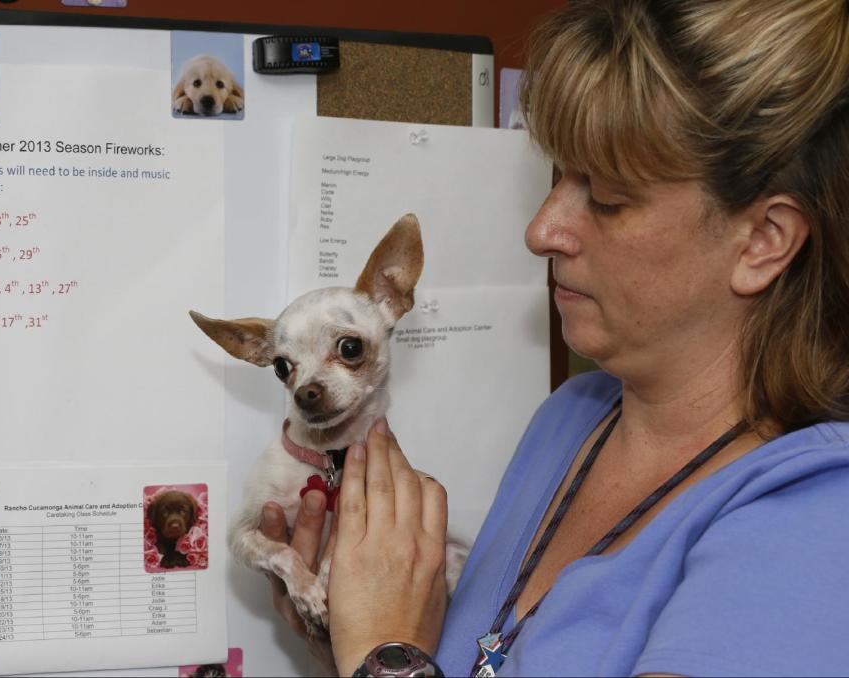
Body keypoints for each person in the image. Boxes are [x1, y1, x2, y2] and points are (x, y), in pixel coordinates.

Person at [262, 0, 849, 674]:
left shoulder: (816, 520)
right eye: (558, 175)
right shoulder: (571, 418)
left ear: (762, 242)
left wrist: (383, 654)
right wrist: (350, 631)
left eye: (605, 197)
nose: (542, 229)